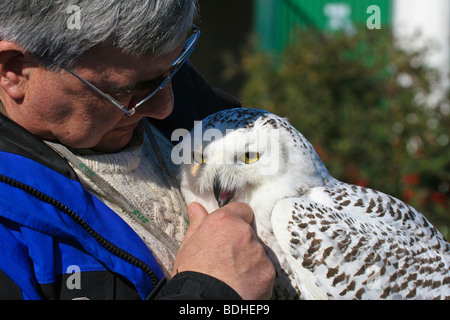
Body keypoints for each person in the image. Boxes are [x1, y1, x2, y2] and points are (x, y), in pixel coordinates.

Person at [0, 0, 275, 300]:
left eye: (174, 69)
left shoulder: (184, 98)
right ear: (14, 70)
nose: (164, 106)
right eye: (124, 90)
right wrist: (210, 294)